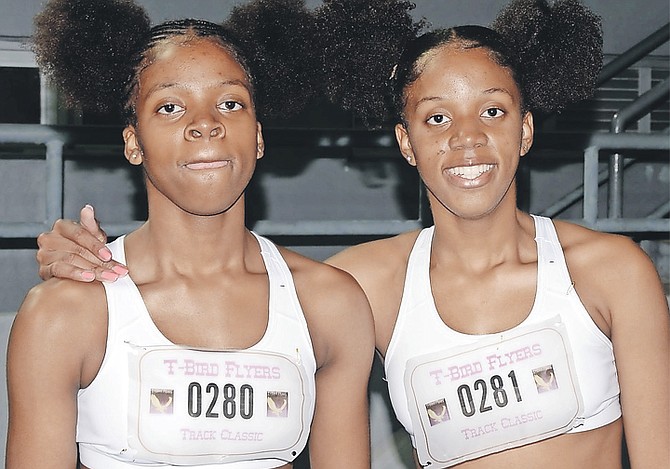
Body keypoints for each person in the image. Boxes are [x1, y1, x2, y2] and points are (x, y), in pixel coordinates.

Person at [30, 0, 670, 467]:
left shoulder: (611, 273)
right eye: (436, 117)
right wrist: (70, 258)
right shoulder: (361, 288)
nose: (467, 138)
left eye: (493, 111)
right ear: (405, 143)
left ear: (526, 129)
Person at [6, 0, 374, 468]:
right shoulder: (64, 314)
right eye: (170, 107)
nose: (206, 124)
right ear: (133, 142)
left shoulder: (329, 303)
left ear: (258, 136)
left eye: (229, 102)